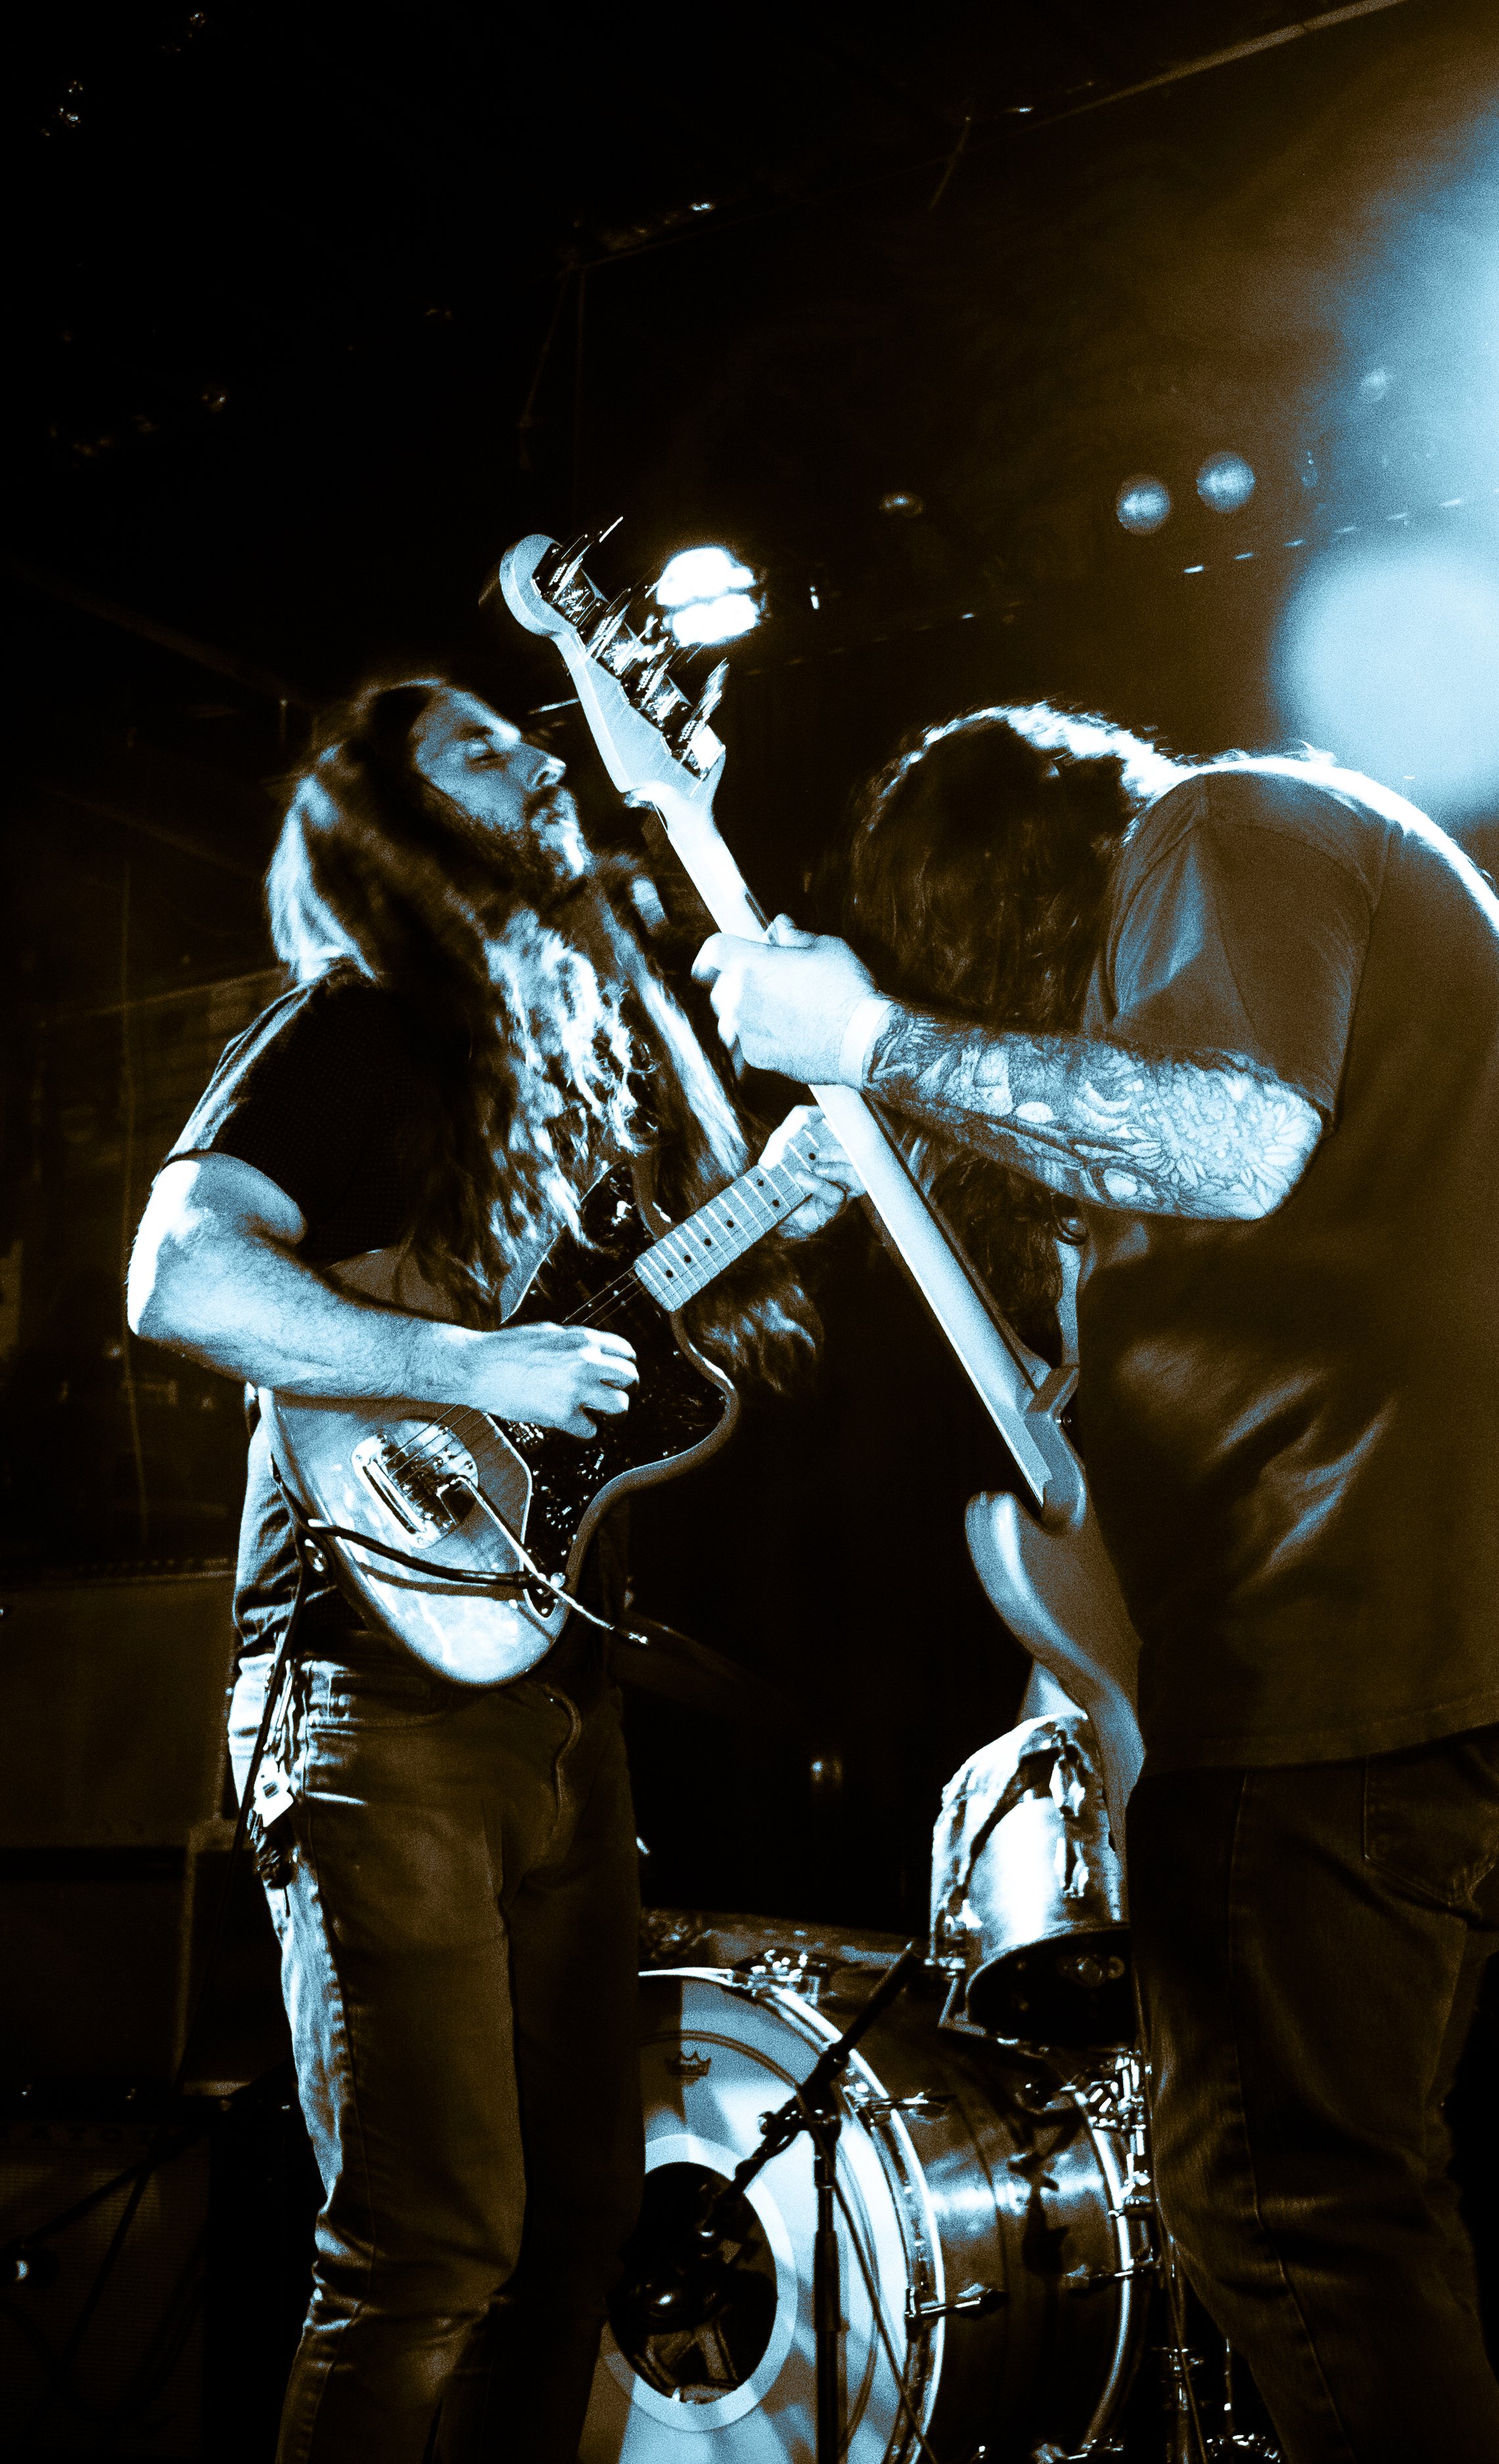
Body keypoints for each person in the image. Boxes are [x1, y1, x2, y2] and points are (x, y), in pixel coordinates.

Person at [693, 704, 1499, 2462]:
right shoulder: (1292, 903)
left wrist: (875, 1034)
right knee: (1361, 2201)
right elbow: (1186, 1296)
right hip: (1466, 1632)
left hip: (1353, 1629)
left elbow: (1229, 1143)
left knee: (1279, 2210)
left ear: (996, 891)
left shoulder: (1221, 828)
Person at [127, 675, 854, 2464]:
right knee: (426, 2244)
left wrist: (783, 1197)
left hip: (552, 1688)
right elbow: (177, 1275)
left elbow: (626, 1354)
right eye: (473, 745)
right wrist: (467, 1365)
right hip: (365, 1685)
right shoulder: (355, 1025)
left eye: (527, 738)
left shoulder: (566, 1071)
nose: (535, 754)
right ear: (392, 825)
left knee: (580, 2222)